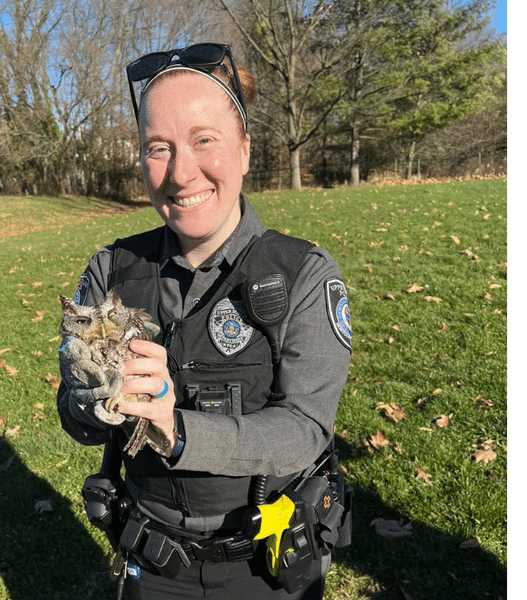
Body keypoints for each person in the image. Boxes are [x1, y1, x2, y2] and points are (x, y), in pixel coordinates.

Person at [57, 42, 353, 600]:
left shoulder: (304, 273)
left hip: (268, 565)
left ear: (244, 150)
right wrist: (94, 400)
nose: (180, 172)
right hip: (151, 557)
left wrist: (178, 431)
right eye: (158, 147)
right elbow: (74, 418)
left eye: (204, 140)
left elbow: (306, 429)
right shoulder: (110, 270)